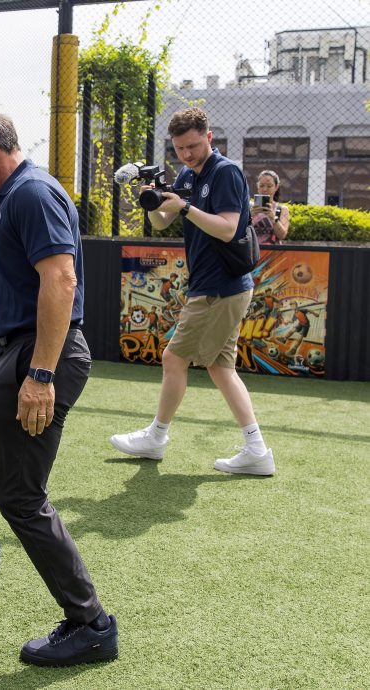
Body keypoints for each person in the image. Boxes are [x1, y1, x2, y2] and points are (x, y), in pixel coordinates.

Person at [0, 105, 117, 667]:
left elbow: (61, 279)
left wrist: (40, 374)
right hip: (11, 352)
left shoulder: (33, 194)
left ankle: (92, 624)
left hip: (40, 358)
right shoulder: (9, 198)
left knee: (21, 495)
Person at [110, 107, 275, 476]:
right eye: (180, 148)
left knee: (173, 358)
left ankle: (156, 437)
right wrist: (151, 198)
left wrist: (185, 206)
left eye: (193, 146)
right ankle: (257, 450)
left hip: (221, 287)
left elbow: (229, 228)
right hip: (215, 286)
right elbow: (162, 221)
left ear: (209, 137)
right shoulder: (186, 174)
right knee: (220, 368)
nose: (186, 154)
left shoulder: (226, 172)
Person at [251, 170, 289, 245]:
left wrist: (273, 218)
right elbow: (237, 231)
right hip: (251, 251)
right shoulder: (248, 207)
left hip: (273, 253)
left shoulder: (281, 209)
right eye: (261, 185)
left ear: (276, 187)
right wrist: (249, 216)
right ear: (257, 186)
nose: (265, 189)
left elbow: (282, 235)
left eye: (269, 186)